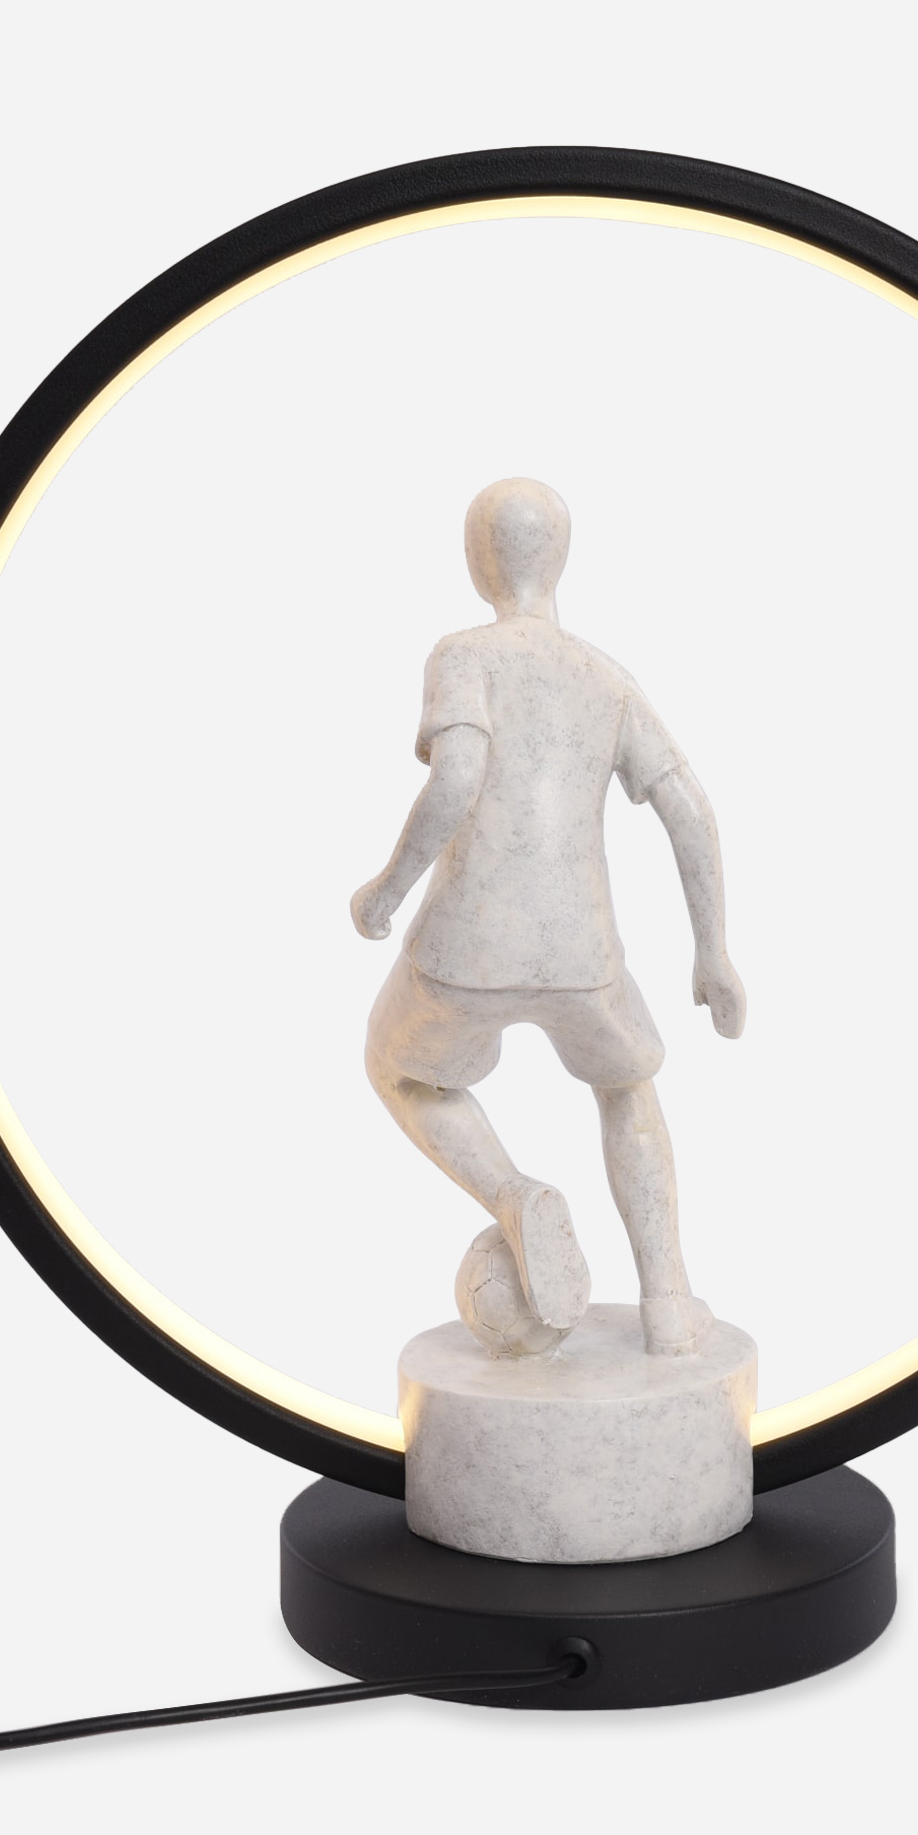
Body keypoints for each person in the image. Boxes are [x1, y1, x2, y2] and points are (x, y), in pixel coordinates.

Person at [351, 477, 745, 1357]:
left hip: (467, 947)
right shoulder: (606, 677)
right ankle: (668, 1302)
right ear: (562, 560)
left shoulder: (462, 655)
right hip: (582, 954)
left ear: (474, 562)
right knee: (628, 1089)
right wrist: (712, 952)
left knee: (399, 1071)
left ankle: (512, 1193)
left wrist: (387, 888)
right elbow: (688, 809)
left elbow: (456, 778)